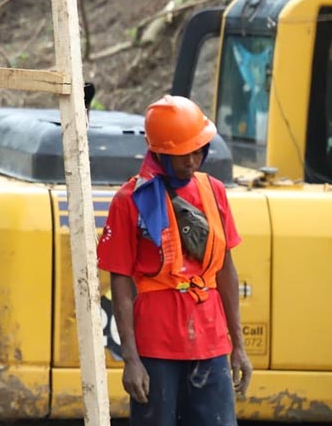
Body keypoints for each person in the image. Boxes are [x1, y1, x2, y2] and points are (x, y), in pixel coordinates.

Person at [97, 95, 252, 425]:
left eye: (199, 150)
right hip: (157, 345)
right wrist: (131, 359)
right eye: (184, 154)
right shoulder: (129, 200)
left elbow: (225, 270)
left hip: (210, 341)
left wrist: (238, 345)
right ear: (161, 153)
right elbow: (121, 282)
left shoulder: (214, 191)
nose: (193, 160)